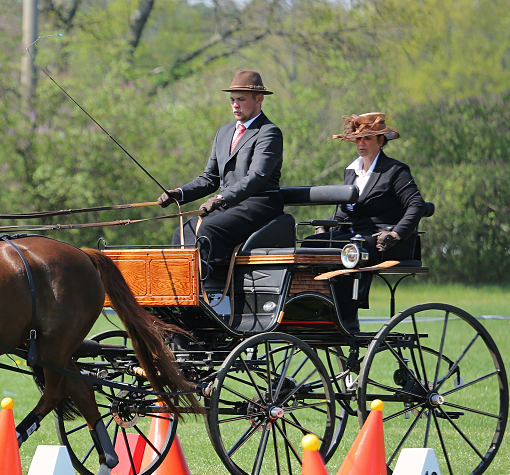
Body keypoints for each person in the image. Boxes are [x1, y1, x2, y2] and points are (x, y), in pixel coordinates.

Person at [157, 69, 283, 274]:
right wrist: (179, 193)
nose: (235, 104)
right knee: (182, 232)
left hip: (258, 204)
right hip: (227, 205)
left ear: (259, 99)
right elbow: (210, 178)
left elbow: (256, 177)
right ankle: (184, 291)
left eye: (241, 99)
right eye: (232, 99)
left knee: (207, 230)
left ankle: (204, 287)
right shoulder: (224, 132)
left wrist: (220, 199)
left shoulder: (269, 132)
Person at [308, 112, 426, 330]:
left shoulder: (395, 171)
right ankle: (314, 309)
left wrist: (396, 234)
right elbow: (346, 213)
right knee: (309, 245)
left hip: (385, 238)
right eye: (358, 138)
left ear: (381, 141)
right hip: (356, 236)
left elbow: (416, 205)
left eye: (368, 138)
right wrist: (326, 226)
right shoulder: (351, 171)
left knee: (350, 250)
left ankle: (346, 318)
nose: (361, 143)